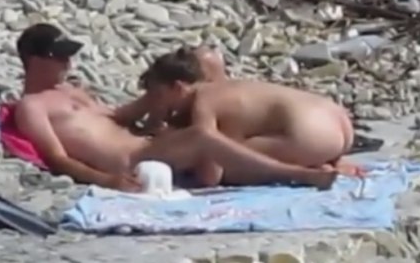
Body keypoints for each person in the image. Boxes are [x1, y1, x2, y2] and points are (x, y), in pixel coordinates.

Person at [11, 24, 339, 191]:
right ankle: (300, 175)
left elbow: (116, 117)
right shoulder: (31, 107)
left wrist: (159, 96)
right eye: (60, 56)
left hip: (149, 146)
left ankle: (313, 159)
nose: (68, 63)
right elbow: (57, 158)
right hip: (130, 160)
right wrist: (106, 181)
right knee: (204, 138)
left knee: (222, 130)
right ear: (35, 60)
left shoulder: (74, 93)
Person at [138, 48, 362, 188]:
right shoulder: (227, 87)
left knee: (234, 161)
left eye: (159, 96)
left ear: (178, 87)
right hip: (337, 120)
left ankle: (310, 169)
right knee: (236, 145)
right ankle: (324, 160)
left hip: (309, 134)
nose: (157, 104)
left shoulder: (202, 101)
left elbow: (211, 176)